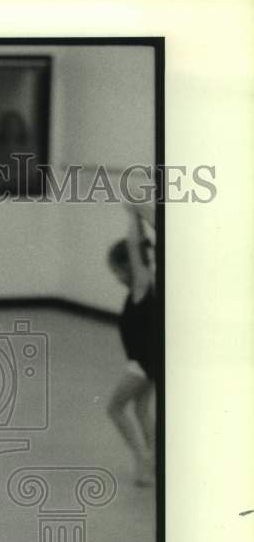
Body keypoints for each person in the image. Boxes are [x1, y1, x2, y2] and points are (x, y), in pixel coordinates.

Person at [106, 201, 158, 486]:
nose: (115, 278)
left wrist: (136, 213)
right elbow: (140, 250)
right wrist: (137, 217)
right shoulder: (147, 283)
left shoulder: (141, 285)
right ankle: (155, 460)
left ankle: (142, 458)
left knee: (114, 408)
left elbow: (136, 251)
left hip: (142, 362)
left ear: (128, 268)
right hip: (150, 360)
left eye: (116, 271)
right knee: (140, 409)